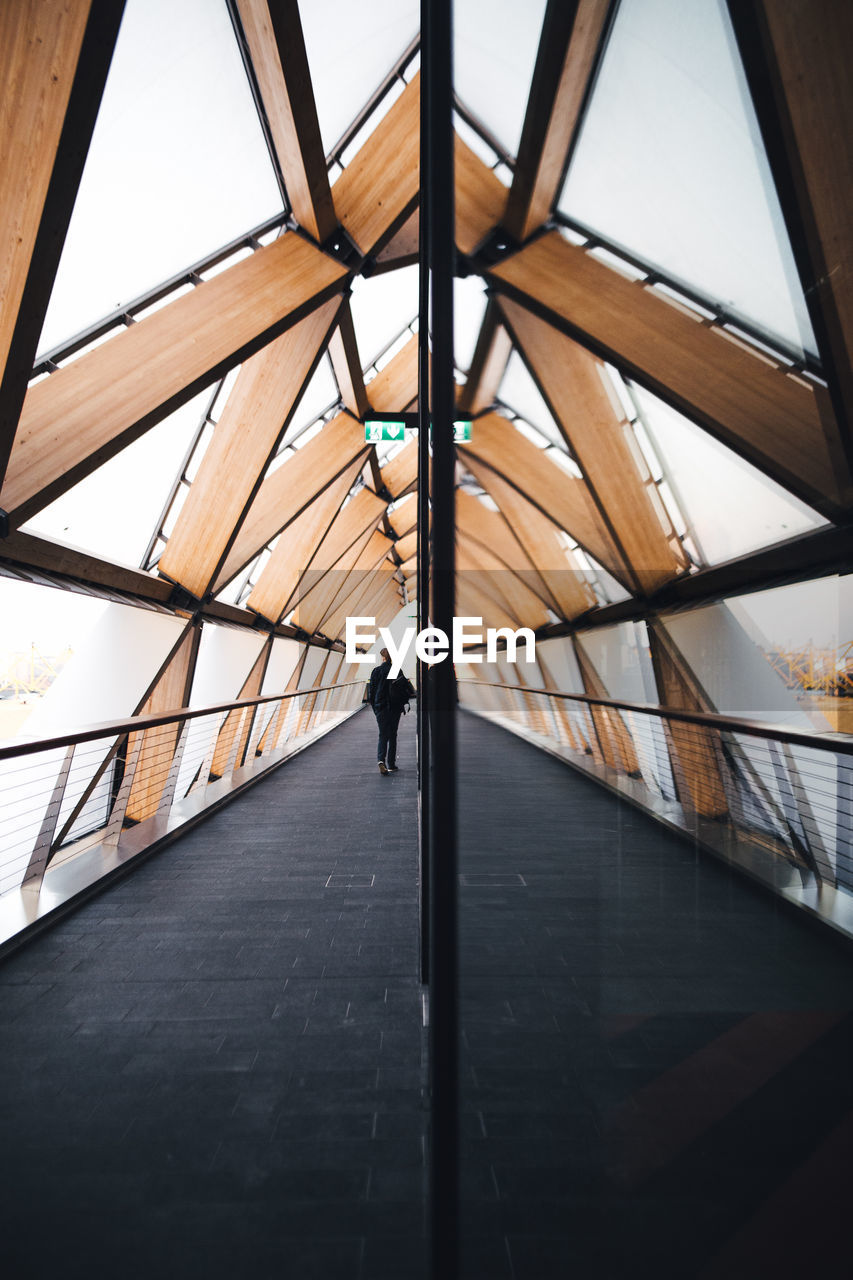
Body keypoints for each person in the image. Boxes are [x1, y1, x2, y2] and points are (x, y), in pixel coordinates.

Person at [367, 647, 403, 775]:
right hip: (394, 708)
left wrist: (375, 708)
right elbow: (403, 691)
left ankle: (381, 760)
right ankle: (391, 764)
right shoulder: (397, 670)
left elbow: (371, 692)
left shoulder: (376, 671)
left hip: (381, 707)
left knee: (383, 734)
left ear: (382, 657)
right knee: (393, 735)